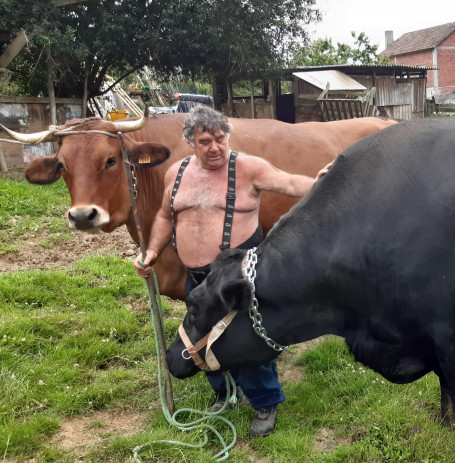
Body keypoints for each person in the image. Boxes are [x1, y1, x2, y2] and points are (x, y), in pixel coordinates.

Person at [134, 105, 328, 437]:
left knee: (249, 338)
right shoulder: (177, 173)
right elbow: (166, 216)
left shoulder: (249, 168)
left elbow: (289, 182)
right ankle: (225, 393)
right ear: (190, 142)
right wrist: (151, 251)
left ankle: (265, 402)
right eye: (205, 141)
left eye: (220, 139)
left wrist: (321, 182)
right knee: (201, 336)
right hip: (196, 278)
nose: (214, 147)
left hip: (237, 277)